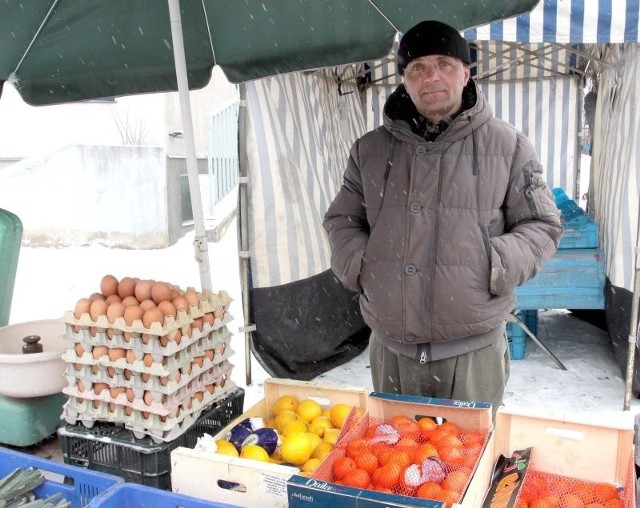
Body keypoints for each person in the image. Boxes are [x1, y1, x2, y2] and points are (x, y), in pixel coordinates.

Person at [323, 20, 562, 415]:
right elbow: (342, 220)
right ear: (404, 79)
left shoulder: (508, 145)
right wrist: (364, 267)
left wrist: (492, 264)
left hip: (472, 352)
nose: (430, 76)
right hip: (392, 350)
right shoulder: (369, 150)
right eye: (417, 67)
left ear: (466, 73)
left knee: (467, 466)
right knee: (393, 463)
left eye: (444, 64)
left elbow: (542, 225)